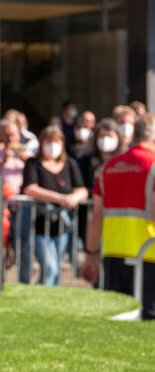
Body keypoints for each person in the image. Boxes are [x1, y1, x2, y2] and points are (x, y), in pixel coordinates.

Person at [82, 114, 155, 319]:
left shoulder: (108, 167)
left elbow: (96, 217)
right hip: (148, 253)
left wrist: (90, 255)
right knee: (148, 320)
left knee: (117, 319)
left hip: (113, 253)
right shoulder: (152, 164)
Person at [19, 126, 88, 286]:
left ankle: (51, 296)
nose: (52, 145)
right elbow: (30, 188)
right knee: (50, 268)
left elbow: (82, 189)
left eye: (56, 142)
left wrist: (74, 198)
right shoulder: (33, 163)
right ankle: (41, 296)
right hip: (39, 223)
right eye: (48, 141)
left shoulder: (69, 163)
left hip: (63, 225)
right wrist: (60, 198)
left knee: (57, 267)